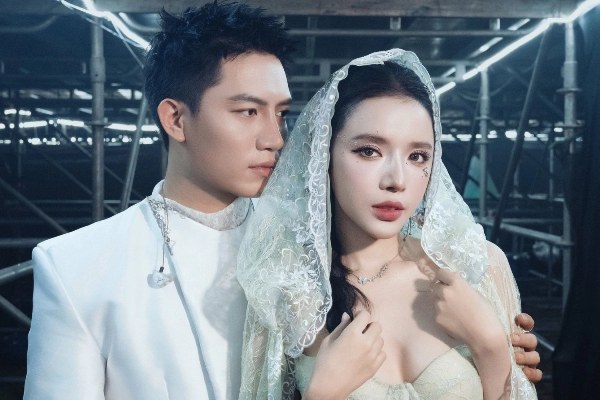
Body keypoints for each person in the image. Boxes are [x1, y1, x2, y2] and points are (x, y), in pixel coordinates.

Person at [24, 3, 539, 399]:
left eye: (281, 114)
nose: (275, 139)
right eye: (248, 112)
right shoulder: (76, 267)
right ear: (176, 119)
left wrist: (495, 351)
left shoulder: (301, 254)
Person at [237, 49, 538, 399]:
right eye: (369, 151)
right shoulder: (287, 289)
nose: (397, 180)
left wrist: (491, 347)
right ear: (323, 155)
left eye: (417, 156)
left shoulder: (477, 268)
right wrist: (321, 393)